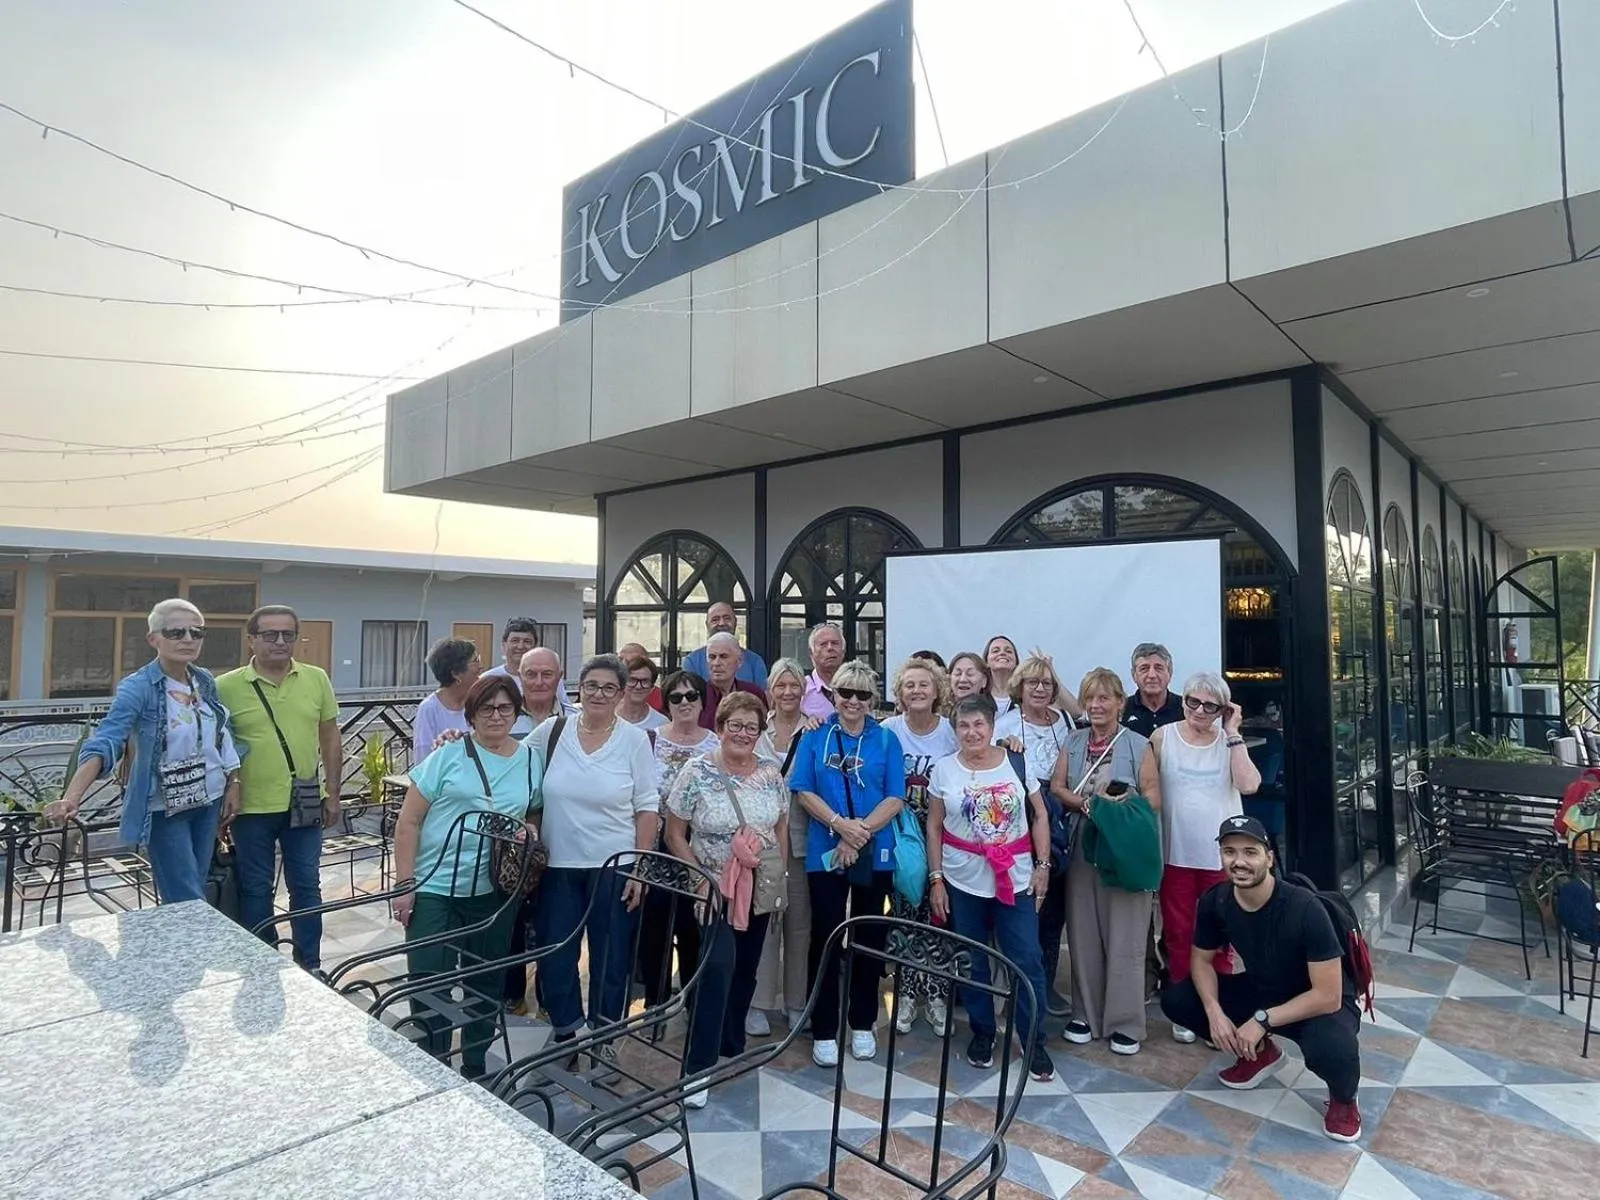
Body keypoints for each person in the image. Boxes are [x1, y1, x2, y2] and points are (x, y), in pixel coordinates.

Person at [1161, 816, 1364, 1142]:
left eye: (1250, 852)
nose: (1239, 861)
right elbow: (1200, 961)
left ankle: (1344, 1099)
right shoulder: (1218, 900)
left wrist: (1261, 1020)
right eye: (1229, 852)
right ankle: (1261, 1054)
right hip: (1264, 993)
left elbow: (1328, 994)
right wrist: (1215, 1012)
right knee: (1179, 999)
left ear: (1269, 857)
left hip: (1317, 1004)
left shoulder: (1304, 908)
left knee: (1332, 1048)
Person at [391, 674, 542, 1080]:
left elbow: (533, 809)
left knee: (485, 981)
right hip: (434, 888)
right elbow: (409, 822)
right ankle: (433, 1063)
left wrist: (530, 828)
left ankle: (475, 1066)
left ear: (516, 712)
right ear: (471, 714)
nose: (496, 716)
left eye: (505, 708)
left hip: (494, 891)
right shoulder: (448, 754)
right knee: (427, 980)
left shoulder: (530, 759)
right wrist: (404, 885)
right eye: (486, 708)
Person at [47, 599, 241, 905]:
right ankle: (188, 950)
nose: (188, 639)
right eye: (176, 632)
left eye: (196, 632)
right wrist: (72, 797)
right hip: (165, 805)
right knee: (185, 896)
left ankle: (187, 948)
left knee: (195, 884)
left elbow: (221, 734)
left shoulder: (203, 679)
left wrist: (233, 782)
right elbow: (107, 739)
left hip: (209, 798)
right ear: (154, 639)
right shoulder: (138, 687)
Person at [531, 654, 660, 1065]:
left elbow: (647, 807)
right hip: (558, 866)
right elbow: (511, 760)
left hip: (615, 865)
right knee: (556, 953)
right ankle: (567, 1027)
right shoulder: (552, 731)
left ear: (621, 694)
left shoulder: (634, 740)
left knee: (612, 956)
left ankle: (605, 1032)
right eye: (591, 686)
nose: (599, 694)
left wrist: (640, 868)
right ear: (578, 689)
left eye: (609, 687)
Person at [666, 692, 790, 1108]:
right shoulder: (696, 771)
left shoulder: (772, 773)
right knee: (717, 968)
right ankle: (697, 1069)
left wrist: (778, 874)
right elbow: (673, 833)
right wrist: (699, 877)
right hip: (714, 887)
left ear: (759, 733)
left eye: (751, 728)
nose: (742, 733)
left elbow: (781, 827)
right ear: (720, 728)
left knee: (746, 969)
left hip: (758, 886)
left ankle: (729, 1043)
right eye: (734, 725)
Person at [927, 694, 1055, 1083]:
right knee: (972, 959)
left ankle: (1033, 1038)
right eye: (964, 726)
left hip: (1014, 879)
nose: (972, 732)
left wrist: (1043, 866)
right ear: (955, 730)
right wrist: (936, 879)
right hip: (963, 878)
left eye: (979, 724)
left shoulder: (1016, 761)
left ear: (992, 726)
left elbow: (1041, 814)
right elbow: (934, 825)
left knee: (1027, 958)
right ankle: (983, 1031)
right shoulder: (944, 770)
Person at [790, 659, 905, 1067]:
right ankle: (823, 1027)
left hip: (874, 850)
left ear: (872, 699)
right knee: (825, 936)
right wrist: (840, 826)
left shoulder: (887, 740)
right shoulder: (815, 737)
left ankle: (862, 1022)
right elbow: (803, 789)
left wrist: (860, 834)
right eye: (845, 693)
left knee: (870, 936)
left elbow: (895, 795)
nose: (852, 701)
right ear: (832, 695)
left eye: (861, 694)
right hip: (826, 849)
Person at [217, 605, 342, 972]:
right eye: (270, 634)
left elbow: (330, 736)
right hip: (251, 807)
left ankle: (310, 964)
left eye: (288, 634)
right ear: (251, 640)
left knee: (306, 885)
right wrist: (228, 790)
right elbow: (217, 745)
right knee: (256, 888)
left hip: (303, 802)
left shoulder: (316, 678)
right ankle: (264, 963)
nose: (280, 642)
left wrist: (333, 793)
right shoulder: (227, 687)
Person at [1142, 671, 1261, 1043]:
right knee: (1178, 934)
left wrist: (1234, 732)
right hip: (1176, 852)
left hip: (1219, 860)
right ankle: (1185, 1006)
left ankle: (1219, 1010)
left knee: (1221, 937)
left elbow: (1249, 785)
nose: (1199, 710)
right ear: (1184, 700)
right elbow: (1147, 787)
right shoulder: (1163, 737)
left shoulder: (1228, 741)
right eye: (1193, 701)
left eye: (1210, 706)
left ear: (1222, 710)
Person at [1052, 669, 1155, 1054]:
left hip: (1122, 846)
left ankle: (1125, 1021)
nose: (1096, 706)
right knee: (1083, 930)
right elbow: (1059, 786)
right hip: (1082, 843)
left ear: (1119, 702)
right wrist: (1086, 803)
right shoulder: (1074, 740)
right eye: (1090, 698)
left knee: (1126, 934)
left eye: (1104, 698)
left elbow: (1153, 797)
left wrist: (1118, 808)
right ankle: (1086, 1013)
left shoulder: (1139, 745)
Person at [882, 657, 958, 1035]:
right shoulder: (888, 729)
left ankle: (938, 995)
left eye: (923, 684)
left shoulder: (951, 731)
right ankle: (907, 995)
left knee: (939, 916)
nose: (916, 691)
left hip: (943, 836)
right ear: (899, 692)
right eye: (909, 685)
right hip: (901, 838)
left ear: (937, 691)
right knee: (905, 914)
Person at [996, 653, 1074, 1017]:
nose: (1040, 689)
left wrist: (1053, 667)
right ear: (1019, 688)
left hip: (1062, 816)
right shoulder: (1004, 724)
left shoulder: (1066, 721)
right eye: (1033, 683)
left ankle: (1047, 982)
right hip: (1023, 816)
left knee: (1055, 905)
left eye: (1047, 684)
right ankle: (1018, 984)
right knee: (1025, 904)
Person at [641, 668, 718, 1008]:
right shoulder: (649, 740)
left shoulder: (716, 742)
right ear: (666, 702)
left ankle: (693, 998)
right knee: (654, 925)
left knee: (693, 926)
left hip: (699, 845)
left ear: (702, 701)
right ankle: (656, 1001)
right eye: (676, 697)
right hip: (658, 845)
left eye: (692, 696)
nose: (684, 702)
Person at [752, 658, 818, 1034]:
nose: (788, 692)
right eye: (781, 686)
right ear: (770, 691)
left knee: (799, 924)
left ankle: (796, 1002)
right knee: (765, 920)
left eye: (795, 685)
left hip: (802, 839)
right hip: (761, 842)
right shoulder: (756, 729)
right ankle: (759, 1002)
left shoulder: (815, 731)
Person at [413, 638, 482, 761]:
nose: (481, 667)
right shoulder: (429, 708)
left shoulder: (479, 701)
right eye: (475, 661)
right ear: (456, 673)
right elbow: (423, 757)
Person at [680, 601, 769, 689]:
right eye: (715, 619)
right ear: (707, 625)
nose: (722, 623)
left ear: (735, 622)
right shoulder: (692, 661)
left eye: (727, 618)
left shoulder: (755, 661)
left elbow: (762, 698)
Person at [700, 633, 768, 730]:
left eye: (723, 656)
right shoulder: (697, 695)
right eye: (712, 657)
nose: (716, 663)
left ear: (739, 661)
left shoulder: (753, 693)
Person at [509, 646, 577, 737]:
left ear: (559, 676)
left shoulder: (576, 720)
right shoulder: (502, 718)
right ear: (520, 677)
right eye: (531, 674)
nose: (539, 682)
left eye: (547, 674)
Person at [1122, 643, 1184, 738]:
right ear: (1134, 675)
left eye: (1159, 668)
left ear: (1170, 673)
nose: (1152, 675)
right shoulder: (1121, 709)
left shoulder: (1186, 709)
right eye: (1144, 669)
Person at [801, 622, 846, 719]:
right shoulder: (802, 689)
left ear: (843, 651)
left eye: (835, 643)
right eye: (823, 644)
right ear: (811, 653)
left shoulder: (856, 687)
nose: (830, 648)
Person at [619, 654, 669, 732]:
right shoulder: (606, 715)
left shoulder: (661, 723)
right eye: (632, 680)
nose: (638, 686)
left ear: (652, 688)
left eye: (645, 681)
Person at [617, 642, 663, 712]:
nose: (623, 664)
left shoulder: (661, 698)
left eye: (631, 660)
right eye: (620, 659)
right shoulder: (609, 693)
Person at [984, 636, 1020, 717]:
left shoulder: (1024, 697)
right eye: (995, 651)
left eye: (1009, 651)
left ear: (1016, 663)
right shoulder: (978, 697)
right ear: (986, 662)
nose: (1002, 653)